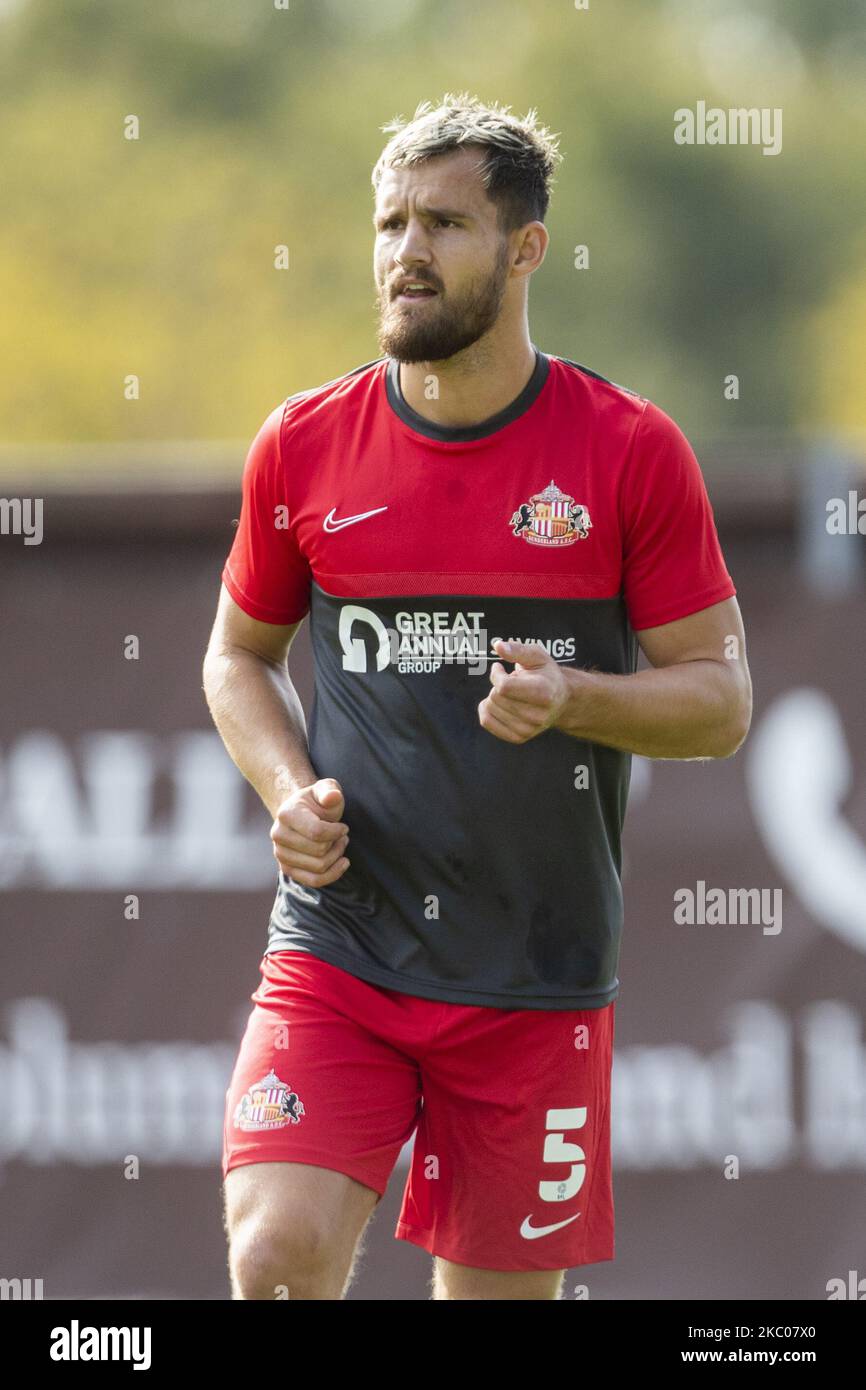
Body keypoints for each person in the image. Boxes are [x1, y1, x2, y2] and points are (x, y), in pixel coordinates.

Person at [203, 92, 752, 1301]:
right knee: (276, 1258)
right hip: (341, 948)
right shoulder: (302, 444)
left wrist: (571, 698)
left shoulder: (626, 449)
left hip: (531, 975)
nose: (406, 252)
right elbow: (236, 656)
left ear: (523, 248)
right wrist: (286, 790)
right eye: (390, 223)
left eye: (443, 224)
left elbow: (718, 704)